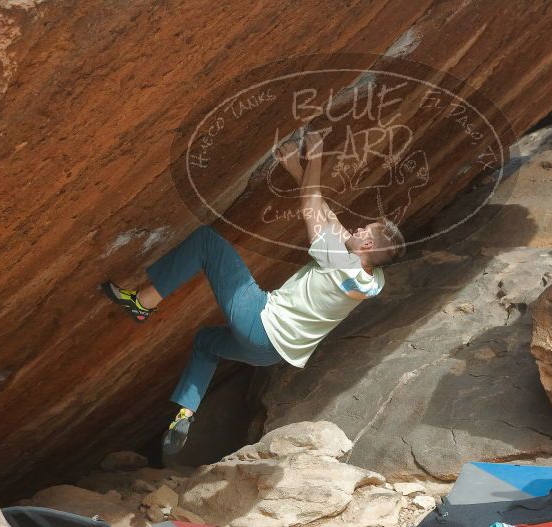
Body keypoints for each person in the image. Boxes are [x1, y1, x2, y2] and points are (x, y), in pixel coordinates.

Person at [102, 130, 406, 454]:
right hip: (270, 354)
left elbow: (311, 209)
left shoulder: (338, 262)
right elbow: (330, 219)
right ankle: (186, 411)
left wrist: (315, 160)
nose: (357, 228)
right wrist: (295, 168)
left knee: (206, 241)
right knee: (206, 343)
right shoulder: (373, 280)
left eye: (364, 230)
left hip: (260, 321)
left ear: (369, 244)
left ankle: (143, 303)